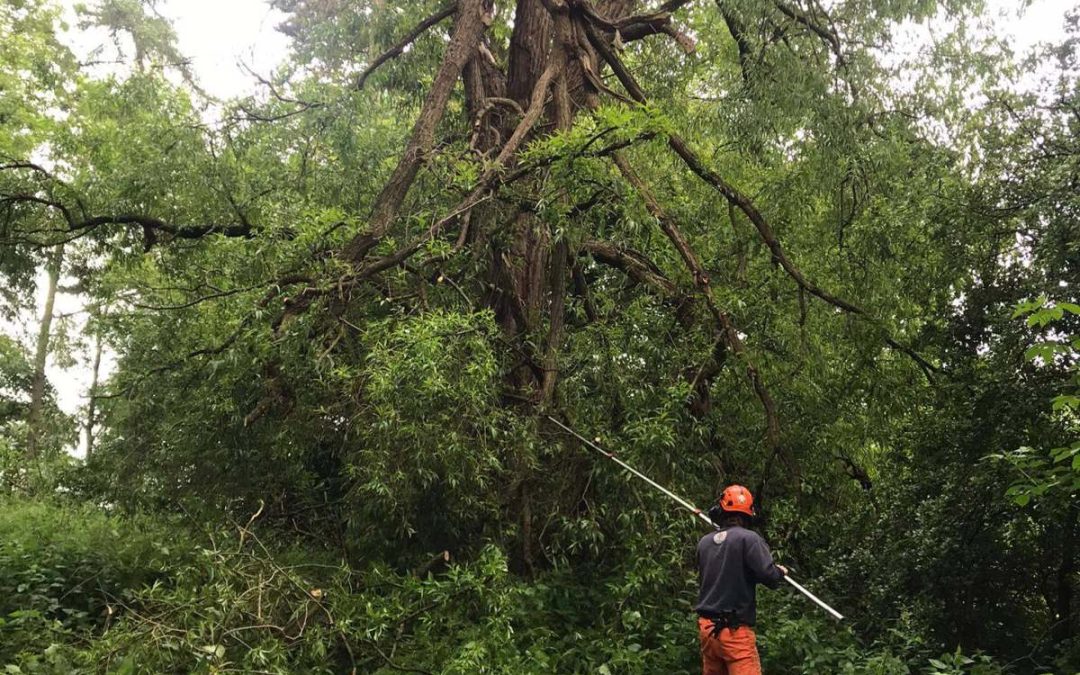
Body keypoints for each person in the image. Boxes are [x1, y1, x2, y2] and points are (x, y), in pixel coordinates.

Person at [695, 484, 787, 675]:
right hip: (735, 632)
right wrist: (779, 572)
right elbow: (769, 577)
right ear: (748, 514)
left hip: (708, 629)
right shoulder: (749, 539)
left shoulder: (704, 543)